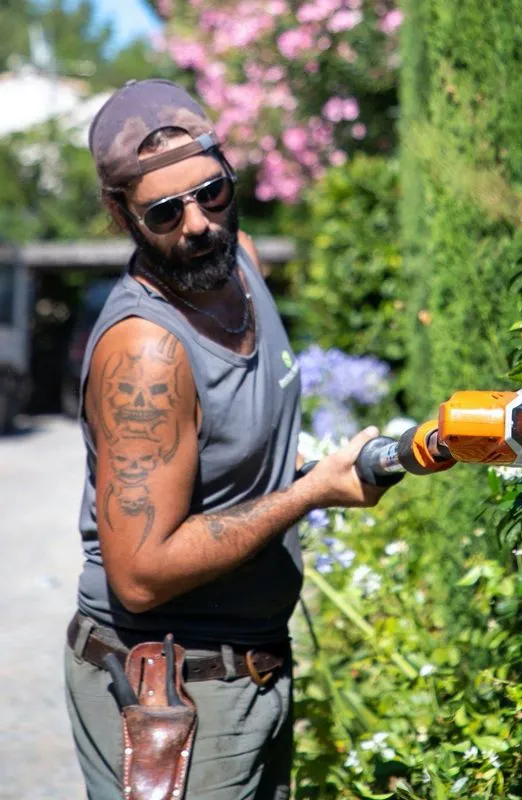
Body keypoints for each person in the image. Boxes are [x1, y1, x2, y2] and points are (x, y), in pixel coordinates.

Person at [64, 78, 386, 800]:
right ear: (122, 215)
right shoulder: (144, 352)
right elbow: (140, 574)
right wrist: (308, 494)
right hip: (172, 690)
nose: (199, 223)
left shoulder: (240, 265)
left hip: (249, 667)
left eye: (211, 192)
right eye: (164, 211)